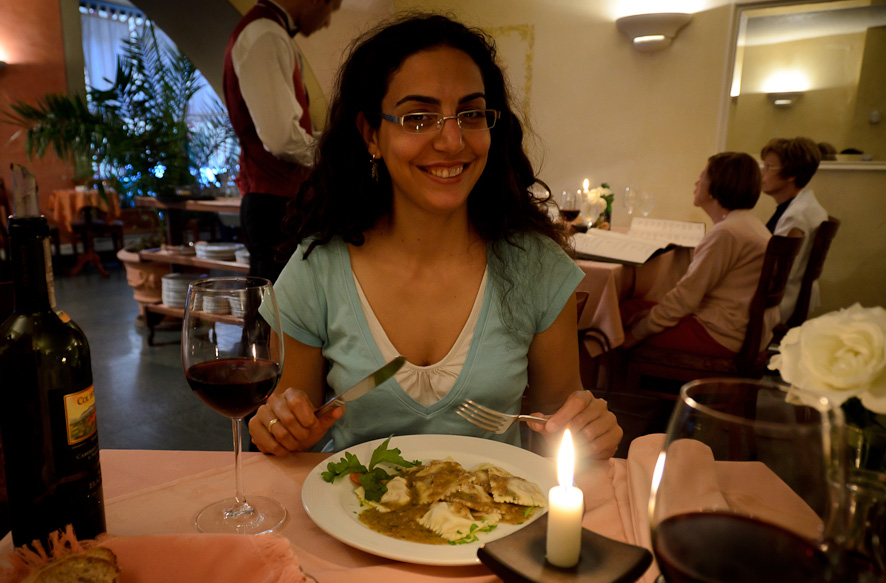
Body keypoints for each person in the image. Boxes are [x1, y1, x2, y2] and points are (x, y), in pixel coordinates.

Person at [248, 13, 622, 459]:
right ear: (371, 134)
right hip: (353, 501)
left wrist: (586, 432)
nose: (452, 140)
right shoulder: (316, 270)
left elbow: (557, 427)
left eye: (471, 114)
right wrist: (281, 428)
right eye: (418, 118)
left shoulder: (536, 267)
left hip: (495, 503)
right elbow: (293, 431)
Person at [223, 0, 342, 281]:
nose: (327, 21)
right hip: (274, 206)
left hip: (276, 203)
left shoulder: (269, 31)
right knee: (275, 305)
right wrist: (337, 153)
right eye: (331, 8)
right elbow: (282, 140)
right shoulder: (265, 34)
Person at [621, 152, 777, 356]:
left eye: (702, 177)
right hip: (740, 328)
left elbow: (686, 297)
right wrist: (650, 314)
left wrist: (637, 333)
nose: (696, 183)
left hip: (721, 335)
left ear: (715, 187)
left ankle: (607, 376)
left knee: (616, 325)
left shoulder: (727, 233)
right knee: (628, 310)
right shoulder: (749, 224)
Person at [760, 137, 827, 322]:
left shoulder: (796, 216)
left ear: (792, 174)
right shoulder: (802, 206)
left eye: (769, 167)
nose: (762, 173)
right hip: (787, 296)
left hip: (779, 303)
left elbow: (776, 274)